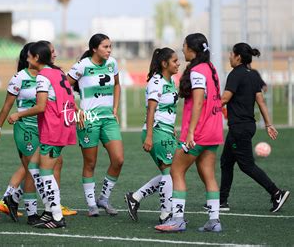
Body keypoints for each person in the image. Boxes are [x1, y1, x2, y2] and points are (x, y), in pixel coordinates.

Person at [0, 42, 76, 220]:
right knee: (34, 169)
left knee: (49, 164)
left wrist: (76, 111)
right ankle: (35, 213)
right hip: (26, 127)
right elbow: (8, 105)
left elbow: (60, 99)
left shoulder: (51, 75)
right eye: (52, 52)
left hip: (45, 127)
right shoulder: (20, 77)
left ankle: (15, 199)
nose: (55, 55)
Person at [155, 33, 224, 233]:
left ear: (192, 50)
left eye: (184, 46)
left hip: (198, 133)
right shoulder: (210, 68)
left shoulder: (196, 71)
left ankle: (177, 220)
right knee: (209, 175)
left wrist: (191, 132)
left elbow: (199, 102)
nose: (182, 49)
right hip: (214, 131)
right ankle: (214, 221)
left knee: (176, 171)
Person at [218, 43, 289, 212]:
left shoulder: (235, 74)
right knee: (226, 162)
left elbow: (224, 99)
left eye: (231, 54)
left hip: (239, 128)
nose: (229, 56)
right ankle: (221, 202)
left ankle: (276, 192)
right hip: (248, 125)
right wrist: (269, 124)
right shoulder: (253, 75)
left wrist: (204, 105)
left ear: (238, 57)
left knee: (247, 165)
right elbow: (261, 101)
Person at [67, 33, 123, 216]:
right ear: (94, 49)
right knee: (90, 162)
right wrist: (76, 110)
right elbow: (64, 87)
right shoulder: (83, 66)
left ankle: (104, 199)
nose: (109, 50)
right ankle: (91, 205)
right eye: (105, 47)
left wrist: (115, 108)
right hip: (88, 119)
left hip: (108, 119)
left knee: (118, 159)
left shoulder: (112, 63)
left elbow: (117, 85)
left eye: (110, 46)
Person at [124, 48, 180, 224]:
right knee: (170, 174)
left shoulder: (169, 81)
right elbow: (152, 109)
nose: (178, 63)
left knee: (171, 172)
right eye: (174, 61)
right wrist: (149, 135)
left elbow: (167, 109)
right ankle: (165, 215)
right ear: (164, 64)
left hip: (165, 130)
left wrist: (171, 127)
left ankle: (135, 197)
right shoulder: (156, 82)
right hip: (156, 131)